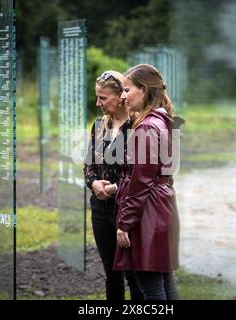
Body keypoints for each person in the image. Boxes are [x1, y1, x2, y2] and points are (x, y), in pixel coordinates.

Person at [114, 64, 180, 300]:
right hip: (161, 209)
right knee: (164, 283)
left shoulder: (148, 127)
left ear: (143, 90)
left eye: (127, 89)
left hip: (148, 215)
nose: (123, 96)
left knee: (151, 288)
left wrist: (125, 223)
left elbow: (141, 181)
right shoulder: (161, 120)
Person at [84, 70, 143, 301]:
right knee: (112, 274)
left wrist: (115, 189)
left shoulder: (139, 126)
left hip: (126, 209)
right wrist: (94, 184)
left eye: (103, 98)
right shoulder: (99, 125)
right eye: (97, 97)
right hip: (99, 209)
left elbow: (140, 173)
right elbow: (88, 164)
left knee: (133, 276)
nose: (98, 103)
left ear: (120, 96)